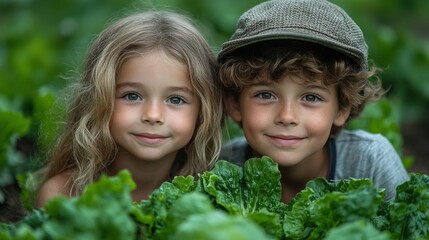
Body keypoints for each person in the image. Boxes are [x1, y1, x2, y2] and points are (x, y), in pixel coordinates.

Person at [218, 0, 409, 203]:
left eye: (311, 97)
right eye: (266, 95)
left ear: (342, 107)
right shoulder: (222, 167)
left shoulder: (369, 163)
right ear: (235, 103)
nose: (287, 117)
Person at [35, 10, 223, 208]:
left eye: (175, 99)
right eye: (132, 96)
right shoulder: (64, 197)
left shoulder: (208, 200)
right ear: (99, 99)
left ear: (204, 111)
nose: (153, 115)